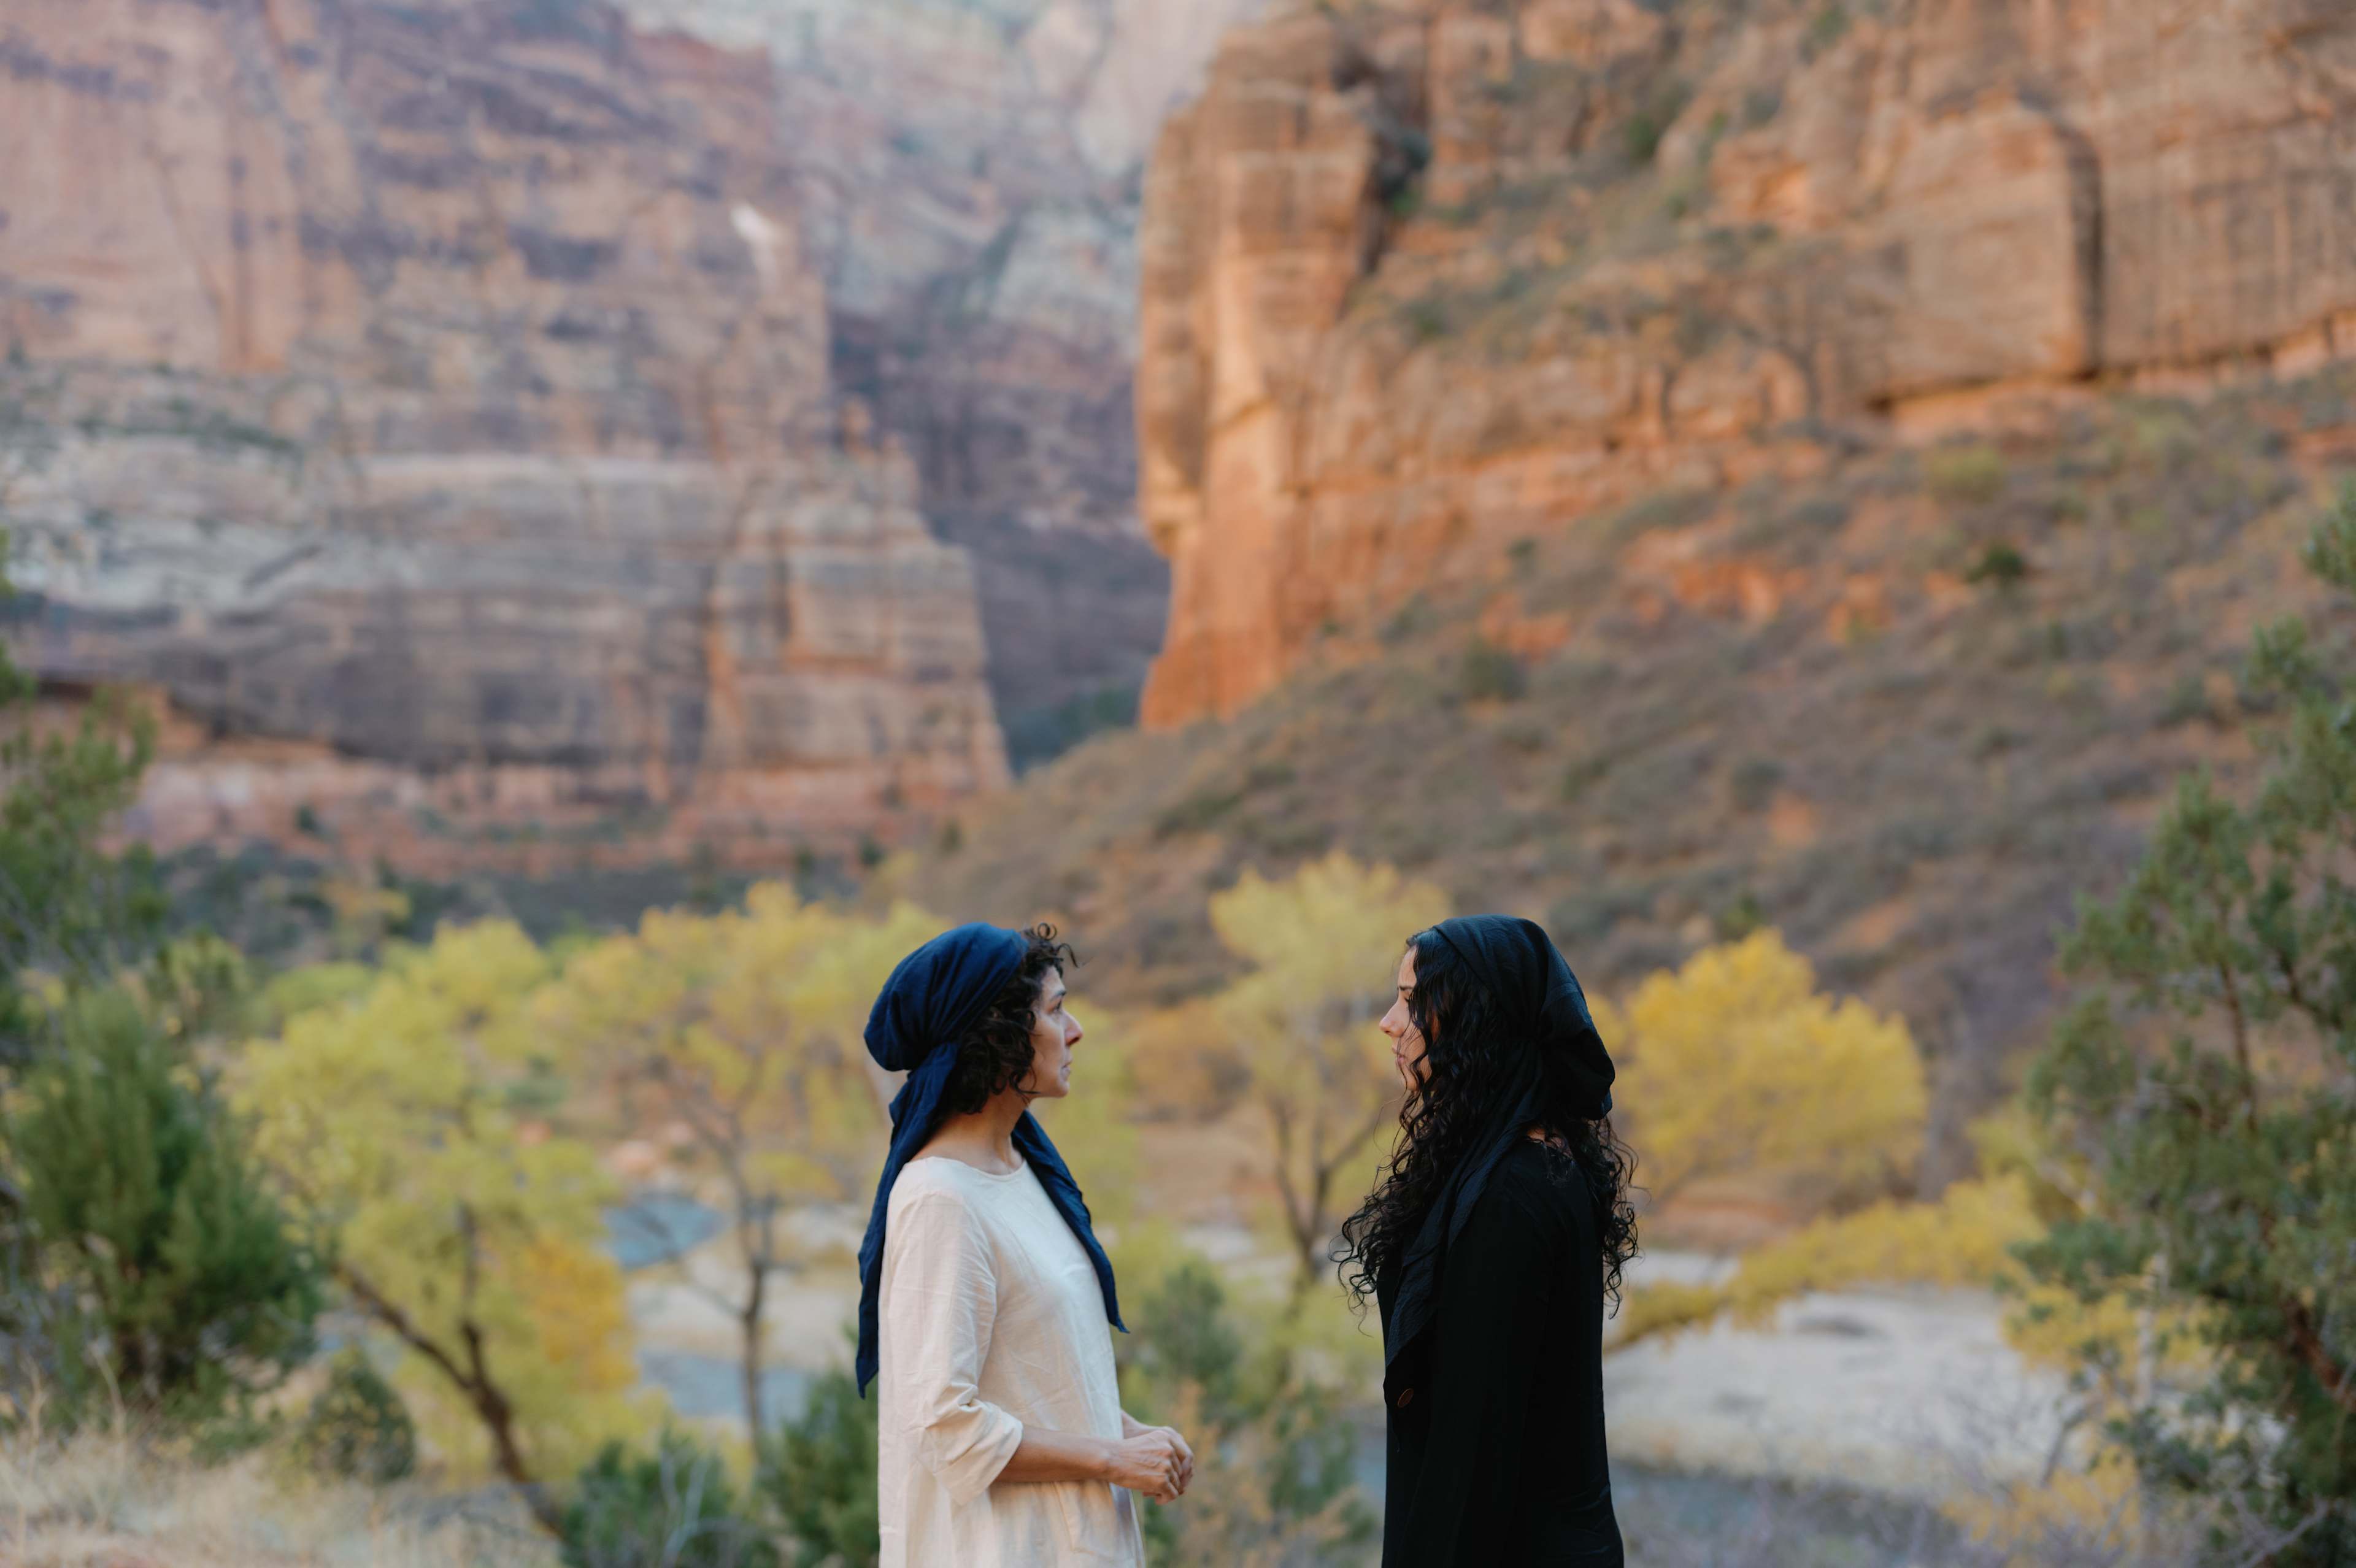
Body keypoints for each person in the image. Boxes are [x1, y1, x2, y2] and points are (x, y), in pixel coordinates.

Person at [856, 921, 1193, 1567]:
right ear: (1000, 1037)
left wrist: (1130, 1434)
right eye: (1056, 1009)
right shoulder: (941, 1200)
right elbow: (944, 1425)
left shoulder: (1020, 1171)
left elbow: (1033, 1379)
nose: (1075, 1031)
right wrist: (1113, 1459)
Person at [1337, 915, 1639, 1566]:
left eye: (1414, 1001)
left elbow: (1476, 1445)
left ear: (1477, 1019)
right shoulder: (1518, 1166)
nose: (1390, 1021)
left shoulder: (1512, 1193)